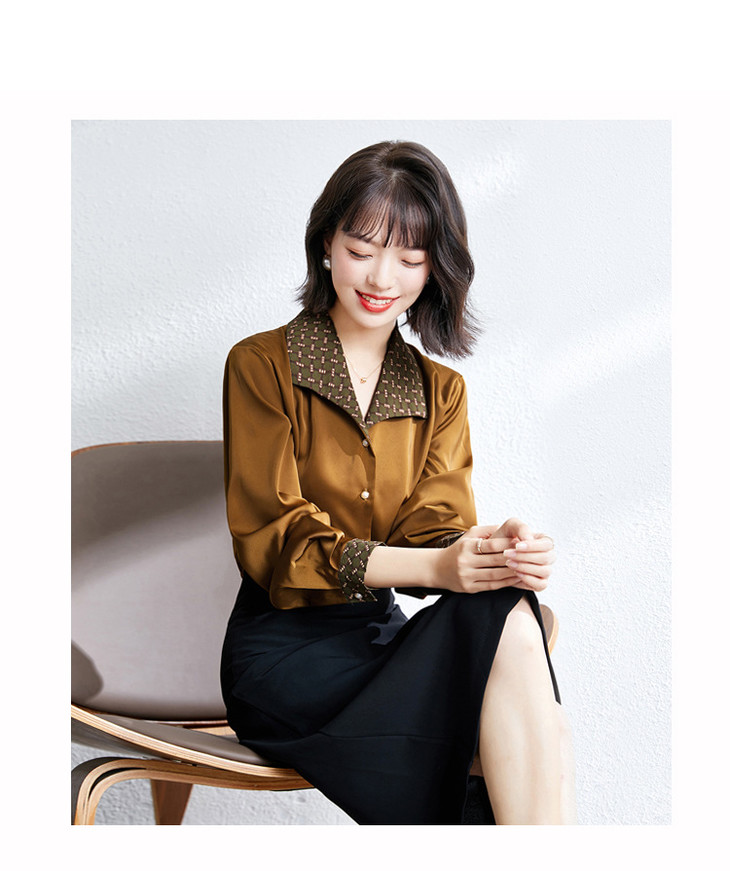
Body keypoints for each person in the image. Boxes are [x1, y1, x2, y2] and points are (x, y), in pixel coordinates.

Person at [220, 140, 576, 825]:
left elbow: (433, 530)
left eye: (411, 260)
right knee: (506, 719)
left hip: (380, 644)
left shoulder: (441, 390)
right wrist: (440, 566)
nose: (383, 277)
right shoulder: (261, 364)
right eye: (362, 249)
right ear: (327, 244)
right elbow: (277, 541)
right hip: (284, 659)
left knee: (504, 602)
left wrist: (492, 550)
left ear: (435, 267)